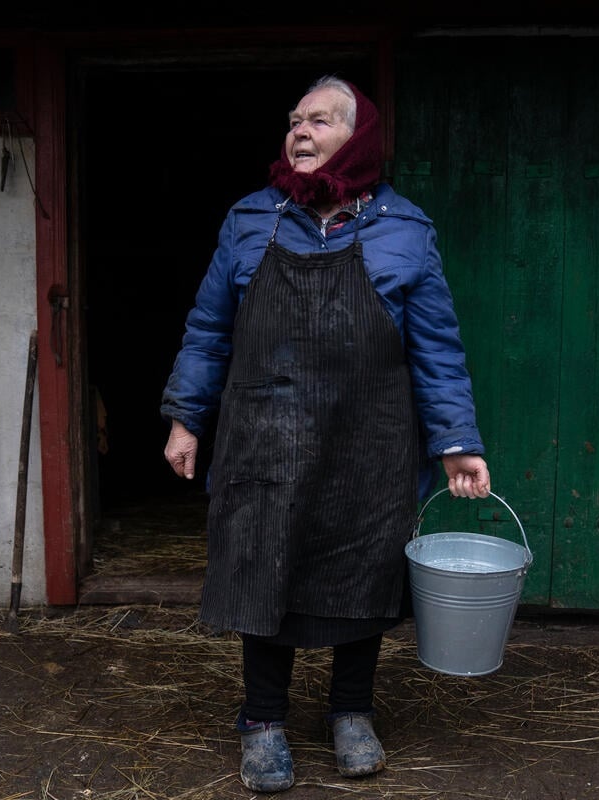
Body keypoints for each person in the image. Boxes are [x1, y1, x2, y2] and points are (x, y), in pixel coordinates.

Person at [160, 76, 490, 793]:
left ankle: (350, 710)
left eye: (318, 120)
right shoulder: (252, 219)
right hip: (264, 435)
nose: (299, 132)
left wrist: (457, 439)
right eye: (293, 122)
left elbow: (436, 347)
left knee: (362, 570)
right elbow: (210, 330)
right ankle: (263, 720)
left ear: (359, 135)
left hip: (366, 441)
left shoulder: (406, 228)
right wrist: (188, 418)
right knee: (260, 564)